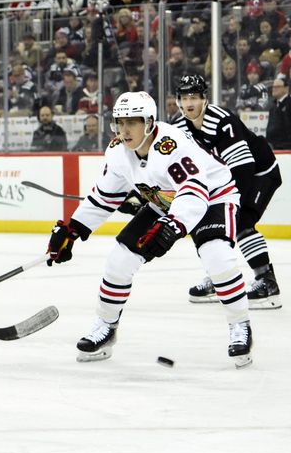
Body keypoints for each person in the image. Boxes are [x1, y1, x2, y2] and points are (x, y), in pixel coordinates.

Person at [47, 91, 253, 368]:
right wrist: (73, 229)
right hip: (165, 200)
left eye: (132, 122)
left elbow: (193, 190)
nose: (125, 129)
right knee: (119, 260)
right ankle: (106, 327)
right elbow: (105, 197)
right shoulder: (118, 151)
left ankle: (240, 325)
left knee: (217, 256)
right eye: (120, 122)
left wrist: (173, 226)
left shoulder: (171, 144)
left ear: (149, 123)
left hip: (214, 196)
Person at [173, 75, 282, 310]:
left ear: (204, 99)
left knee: (240, 220)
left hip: (260, 173)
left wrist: (228, 203)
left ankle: (267, 281)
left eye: (193, 97)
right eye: (183, 97)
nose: (188, 103)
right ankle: (219, 276)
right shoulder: (178, 128)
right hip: (224, 178)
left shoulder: (222, 121)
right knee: (203, 221)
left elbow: (243, 168)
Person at [266, 75, 291, 149]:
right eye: (273, 87)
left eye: (277, 87)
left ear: (286, 88)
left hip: (285, 147)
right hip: (273, 146)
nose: (274, 89)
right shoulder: (273, 105)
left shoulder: (289, 103)